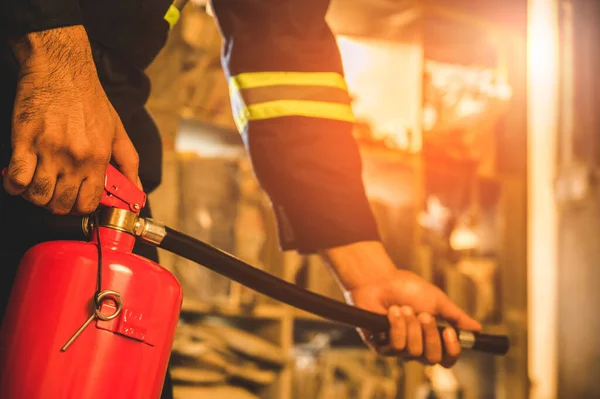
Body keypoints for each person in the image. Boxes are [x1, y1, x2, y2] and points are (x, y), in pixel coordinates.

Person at [0, 0, 481, 397]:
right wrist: (53, 50)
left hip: (90, 146)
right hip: (41, 82)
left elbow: (283, 51)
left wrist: (369, 272)